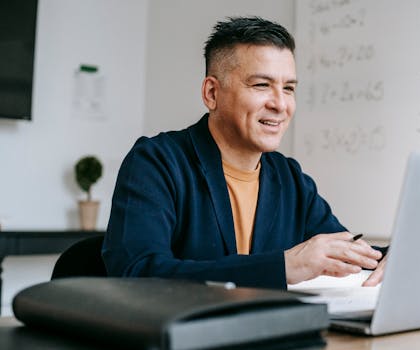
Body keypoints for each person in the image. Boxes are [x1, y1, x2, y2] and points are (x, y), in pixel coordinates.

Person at [102, 16, 387, 289]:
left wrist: (389, 258)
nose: (280, 104)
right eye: (262, 85)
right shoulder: (156, 162)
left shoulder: (290, 178)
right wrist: (283, 266)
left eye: (288, 88)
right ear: (212, 94)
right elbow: (136, 274)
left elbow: (346, 251)